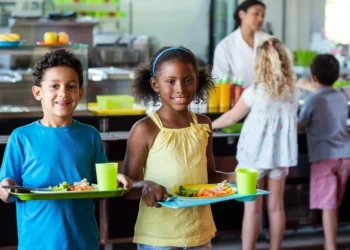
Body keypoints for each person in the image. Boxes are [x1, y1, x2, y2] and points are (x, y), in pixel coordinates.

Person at [0, 49, 132, 250]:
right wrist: (6, 186)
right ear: (38, 92)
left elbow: (100, 188)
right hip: (36, 243)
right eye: (54, 86)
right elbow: (6, 192)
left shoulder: (90, 135)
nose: (63, 93)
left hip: (83, 242)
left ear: (80, 93)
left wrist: (116, 181)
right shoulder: (21, 137)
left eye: (71, 86)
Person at [123, 46, 235, 250]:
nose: (180, 89)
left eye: (188, 80)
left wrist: (236, 177)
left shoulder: (203, 124)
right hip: (159, 238)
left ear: (197, 81)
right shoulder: (144, 129)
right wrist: (144, 185)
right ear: (155, 84)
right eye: (171, 81)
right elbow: (127, 189)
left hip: (199, 234)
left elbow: (208, 177)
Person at [212, 37, 299, 250]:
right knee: (277, 208)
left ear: (260, 64)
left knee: (252, 210)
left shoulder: (254, 92)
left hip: (253, 158)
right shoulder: (294, 93)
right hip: (279, 157)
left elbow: (231, 118)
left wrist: (208, 126)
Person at [298, 54, 350, 250]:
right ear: (337, 75)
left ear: (313, 78)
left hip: (324, 159)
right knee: (334, 205)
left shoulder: (312, 101)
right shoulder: (342, 95)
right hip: (345, 157)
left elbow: (301, 125)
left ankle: (330, 246)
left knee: (328, 207)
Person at [212, 0, 269, 87]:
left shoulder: (269, 41)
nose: (260, 19)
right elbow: (219, 78)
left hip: (266, 98)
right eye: (256, 14)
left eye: (263, 15)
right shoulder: (225, 46)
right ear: (242, 14)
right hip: (237, 98)